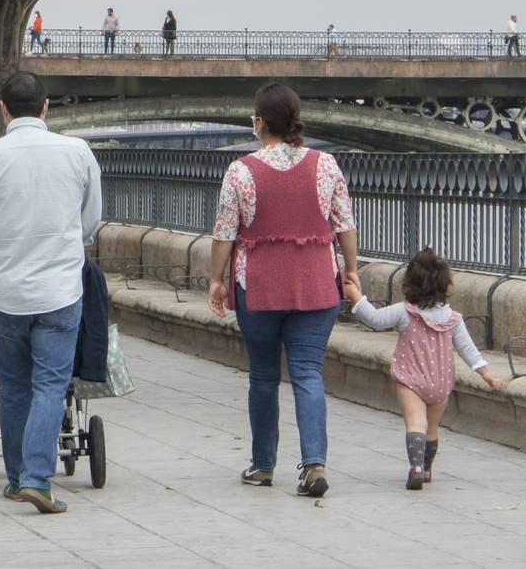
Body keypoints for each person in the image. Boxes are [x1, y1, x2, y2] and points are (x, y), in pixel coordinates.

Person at [0, 71, 103, 515]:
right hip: (61, 289)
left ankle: (19, 477)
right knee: (51, 383)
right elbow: (90, 221)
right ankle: (38, 481)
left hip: (5, 291)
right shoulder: (78, 152)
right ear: (46, 108)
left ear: (3, 110)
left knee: (15, 386)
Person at [207, 83, 358, 498]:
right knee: (309, 374)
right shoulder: (326, 165)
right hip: (315, 284)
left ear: (259, 123)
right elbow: (344, 224)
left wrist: (216, 280)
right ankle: (313, 465)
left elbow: (225, 232)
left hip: (257, 287)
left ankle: (263, 465)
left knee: (263, 376)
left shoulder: (241, 170)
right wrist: (352, 271)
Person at [343, 249, 504, 489]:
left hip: (411, 380)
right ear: (445, 284)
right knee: (432, 427)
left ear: (409, 283)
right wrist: (486, 373)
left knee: (415, 423)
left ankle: (416, 468)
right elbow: (468, 349)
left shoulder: (404, 311)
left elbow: (375, 320)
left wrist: (356, 295)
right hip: (441, 381)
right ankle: (427, 469)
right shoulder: (453, 318)